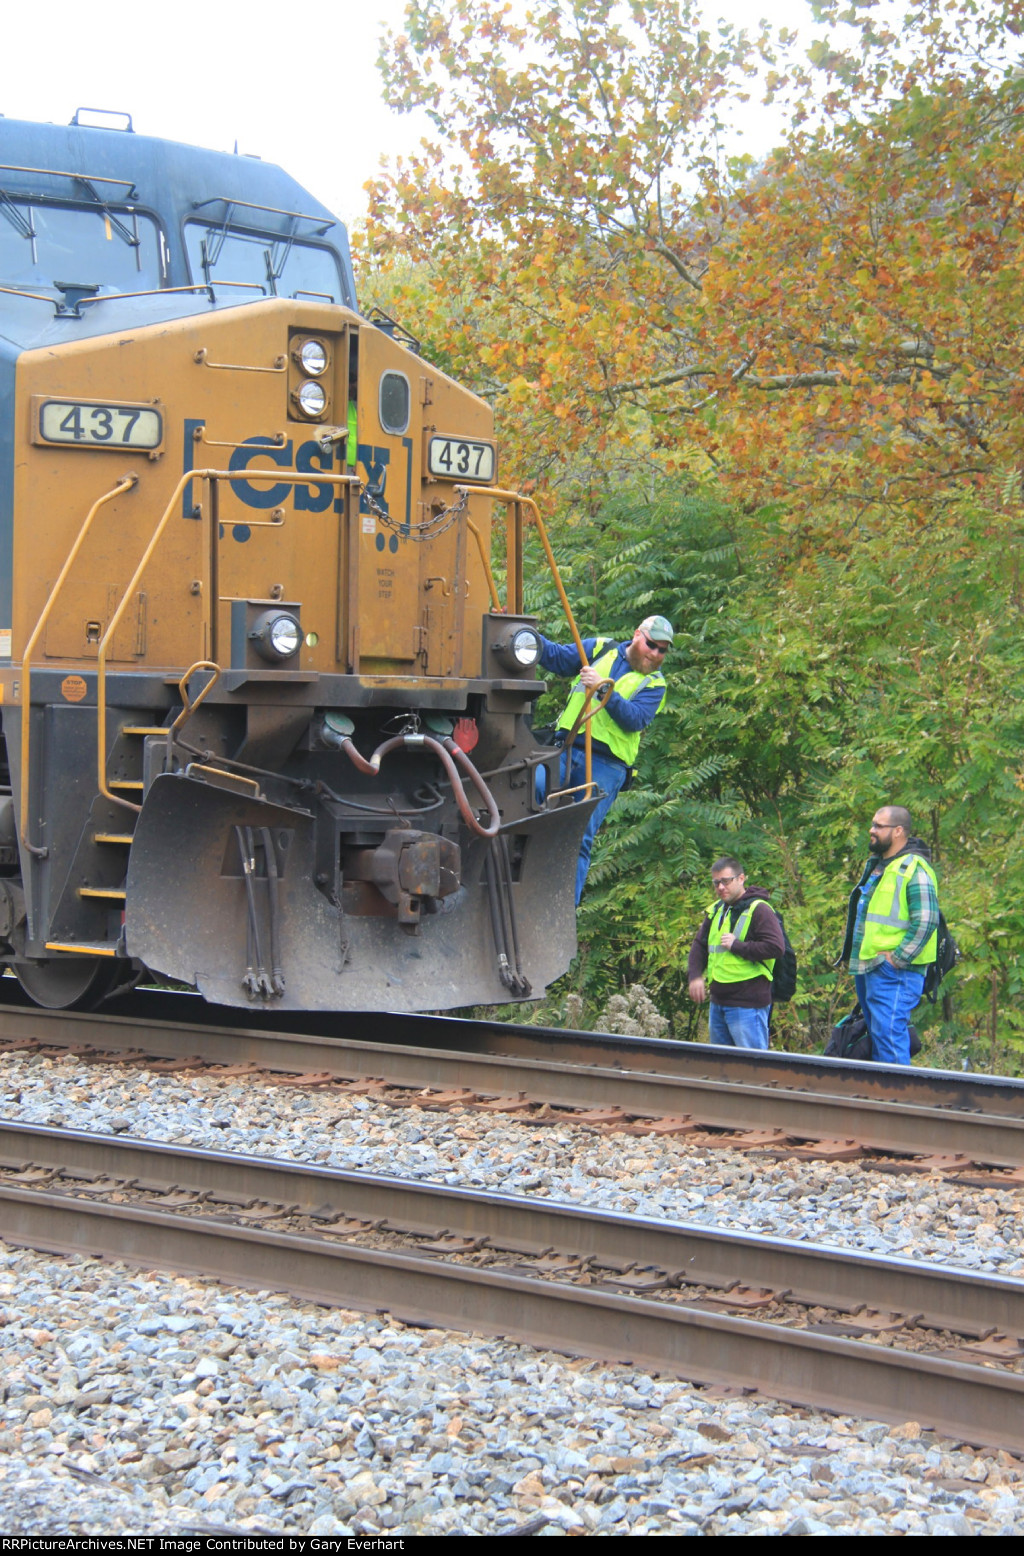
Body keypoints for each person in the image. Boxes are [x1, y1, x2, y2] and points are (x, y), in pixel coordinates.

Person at [537, 616, 671, 904]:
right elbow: (557, 658)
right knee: (525, 790)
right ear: (637, 635)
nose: (655, 654)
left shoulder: (655, 684)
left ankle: (561, 911)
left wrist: (602, 688)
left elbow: (635, 719)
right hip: (566, 749)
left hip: (605, 767)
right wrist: (522, 633)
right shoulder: (600, 648)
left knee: (579, 833)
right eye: (651, 645)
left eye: (662, 650)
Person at [837, 805, 940, 1066]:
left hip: (894, 972)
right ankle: (883, 1100)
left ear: (898, 831)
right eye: (872, 824)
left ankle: (899, 1102)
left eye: (878, 826)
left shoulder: (914, 869)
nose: (871, 831)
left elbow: (927, 920)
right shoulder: (880, 866)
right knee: (880, 1039)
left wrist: (897, 959)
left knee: (890, 1041)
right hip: (871, 967)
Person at [687, 858, 786, 1049]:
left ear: (741, 879)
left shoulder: (759, 909)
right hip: (718, 1001)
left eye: (726, 881)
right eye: (716, 883)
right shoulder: (717, 909)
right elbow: (699, 944)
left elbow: (776, 947)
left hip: (748, 1004)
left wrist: (737, 946)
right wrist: (695, 976)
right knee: (723, 1069)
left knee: (753, 1069)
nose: (721, 887)